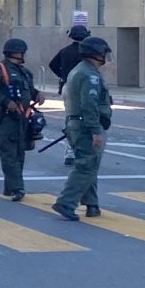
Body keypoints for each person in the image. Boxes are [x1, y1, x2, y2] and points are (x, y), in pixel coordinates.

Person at [53, 36, 114, 221]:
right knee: (85, 167)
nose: (105, 56)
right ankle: (66, 202)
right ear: (96, 53)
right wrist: (95, 130)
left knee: (90, 165)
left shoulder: (81, 71)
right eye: (103, 52)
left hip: (77, 124)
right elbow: (89, 104)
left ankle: (92, 205)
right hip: (85, 126)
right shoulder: (89, 75)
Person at [0, 38, 44, 202]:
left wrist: (37, 93)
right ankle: (18, 188)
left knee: (19, 155)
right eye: (21, 51)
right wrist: (6, 102)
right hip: (5, 119)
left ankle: (10, 188)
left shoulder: (24, 72)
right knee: (9, 155)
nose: (23, 54)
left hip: (22, 119)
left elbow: (29, 91)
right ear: (15, 52)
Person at [49, 25, 91, 166]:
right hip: (85, 88)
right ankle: (84, 150)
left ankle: (70, 152)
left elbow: (52, 64)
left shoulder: (65, 51)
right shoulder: (88, 52)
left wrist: (63, 75)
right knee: (89, 118)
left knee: (71, 118)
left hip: (68, 86)